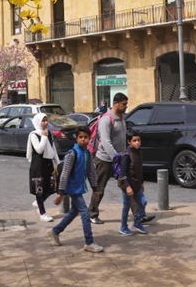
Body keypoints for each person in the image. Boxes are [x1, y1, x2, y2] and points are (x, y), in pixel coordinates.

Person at [46, 126, 104, 253]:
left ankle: (55, 231)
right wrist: (61, 193)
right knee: (84, 212)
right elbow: (65, 174)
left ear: (89, 138)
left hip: (79, 187)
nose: (83, 140)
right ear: (76, 138)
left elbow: (91, 172)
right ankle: (89, 242)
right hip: (72, 188)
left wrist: (95, 189)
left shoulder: (87, 153)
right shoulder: (72, 154)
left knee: (74, 211)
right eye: (80, 137)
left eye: (86, 137)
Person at [88, 92, 128, 224]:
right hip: (104, 159)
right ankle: (92, 213)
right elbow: (105, 141)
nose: (126, 106)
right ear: (115, 103)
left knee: (127, 185)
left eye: (126, 103)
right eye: (124, 104)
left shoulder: (122, 118)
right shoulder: (106, 119)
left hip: (119, 159)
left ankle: (139, 214)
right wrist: (115, 157)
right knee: (99, 188)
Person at [117, 133, 153, 235]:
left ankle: (137, 222)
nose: (137, 143)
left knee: (143, 202)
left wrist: (141, 183)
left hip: (137, 184)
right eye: (134, 141)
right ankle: (123, 227)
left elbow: (139, 169)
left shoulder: (138, 153)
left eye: (139, 140)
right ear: (129, 142)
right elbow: (123, 172)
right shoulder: (126, 155)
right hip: (126, 184)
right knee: (126, 205)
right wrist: (127, 186)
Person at [27, 113, 60, 222]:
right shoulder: (34, 135)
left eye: (46, 120)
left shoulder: (48, 133)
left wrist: (58, 163)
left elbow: (53, 149)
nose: (45, 123)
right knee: (39, 189)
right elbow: (39, 149)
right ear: (38, 122)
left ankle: (38, 202)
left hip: (48, 163)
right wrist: (44, 137)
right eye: (43, 120)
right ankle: (42, 213)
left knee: (51, 187)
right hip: (38, 165)